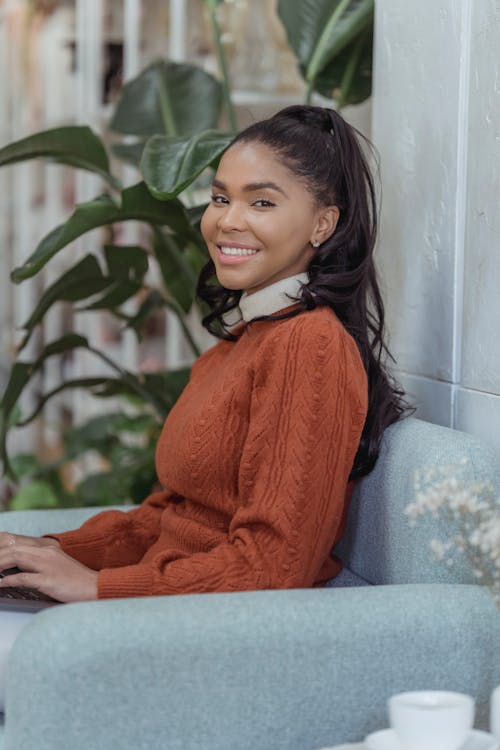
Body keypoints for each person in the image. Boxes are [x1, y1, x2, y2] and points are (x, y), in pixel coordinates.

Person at [0, 105, 407, 682]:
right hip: (164, 608)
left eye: (261, 202)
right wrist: (36, 552)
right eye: (220, 198)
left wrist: (95, 587)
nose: (228, 221)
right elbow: (163, 521)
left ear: (323, 224)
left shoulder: (308, 345)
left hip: (205, 633)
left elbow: (275, 565)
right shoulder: (235, 348)